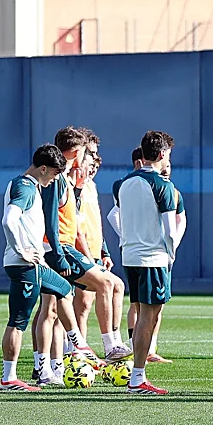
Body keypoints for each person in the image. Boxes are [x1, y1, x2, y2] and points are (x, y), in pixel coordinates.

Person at [0, 145, 82, 392]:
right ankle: (9, 377)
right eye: (55, 174)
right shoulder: (25, 187)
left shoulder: (29, 187)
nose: (56, 179)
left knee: (65, 289)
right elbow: (8, 219)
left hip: (34, 265)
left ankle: (77, 343)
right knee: (18, 321)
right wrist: (22, 251)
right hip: (24, 266)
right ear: (43, 168)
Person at [115, 130, 186, 395]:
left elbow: (119, 219)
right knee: (149, 315)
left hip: (130, 255)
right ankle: (137, 377)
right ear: (163, 153)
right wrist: (171, 252)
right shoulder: (163, 185)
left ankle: (137, 374)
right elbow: (169, 229)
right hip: (152, 257)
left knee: (146, 313)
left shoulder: (125, 183)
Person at [33, 126, 104, 385]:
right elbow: (52, 222)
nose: (88, 158)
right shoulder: (56, 177)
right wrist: (60, 255)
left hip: (54, 249)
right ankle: (50, 365)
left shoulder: (67, 180)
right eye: (85, 152)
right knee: (50, 309)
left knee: (52, 309)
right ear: (75, 151)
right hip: (53, 250)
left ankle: (54, 366)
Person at [72, 135, 129, 364]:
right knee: (62, 307)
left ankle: (104, 344)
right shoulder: (72, 185)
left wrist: (104, 251)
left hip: (92, 252)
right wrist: (88, 256)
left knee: (94, 297)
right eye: (91, 155)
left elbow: (95, 223)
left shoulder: (91, 186)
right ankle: (82, 349)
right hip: (75, 251)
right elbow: (75, 227)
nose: (95, 161)